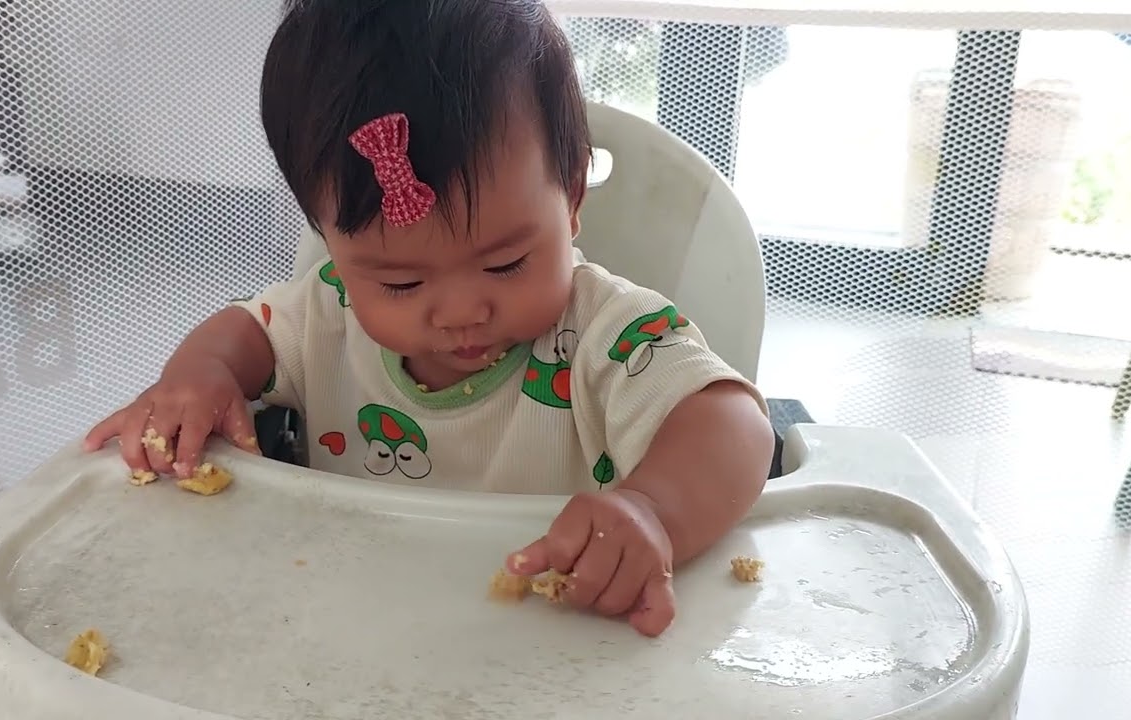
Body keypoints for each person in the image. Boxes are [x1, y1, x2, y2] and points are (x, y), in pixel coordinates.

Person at [84, 0, 775, 637]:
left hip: (560, 642)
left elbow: (734, 426)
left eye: (506, 265)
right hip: (359, 629)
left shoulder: (608, 336)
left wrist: (655, 510)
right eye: (402, 281)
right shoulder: (329, 312)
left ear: (569, 198)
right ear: (334, 248)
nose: (461, 310)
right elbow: (247, 331)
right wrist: (201, 375)